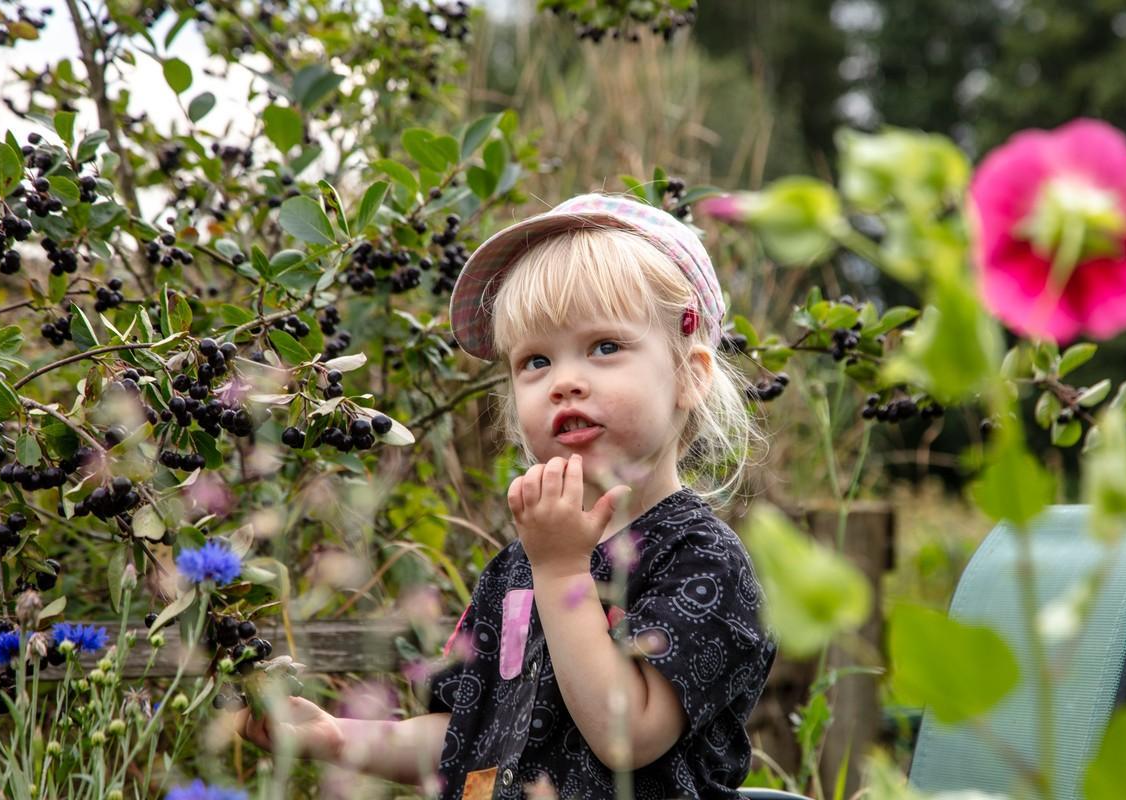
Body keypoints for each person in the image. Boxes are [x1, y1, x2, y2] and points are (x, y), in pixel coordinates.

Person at [237, 193, 778, 799]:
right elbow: (467, 736)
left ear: (689, 375)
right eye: (536, 361)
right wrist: (340, 739)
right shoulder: (521, 564)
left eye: (605, 346)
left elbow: (627, 737)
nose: (565, 381)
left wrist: (561, 571)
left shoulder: (701, 561)